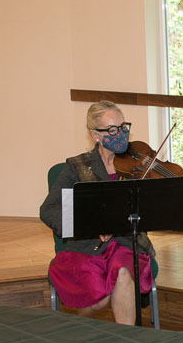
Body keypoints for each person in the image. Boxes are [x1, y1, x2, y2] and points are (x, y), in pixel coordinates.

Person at [39, 101, 155, 326]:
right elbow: (49, 209)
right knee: (104, 290)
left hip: (126, 243)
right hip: (87, 247)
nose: (120, 134)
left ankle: (125, 341)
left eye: (123, 127)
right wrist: (87, 225)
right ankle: (74, 323)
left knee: (122, 271)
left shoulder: (138, 164)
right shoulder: (77, 167)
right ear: (95, 135)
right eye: (112, 130)